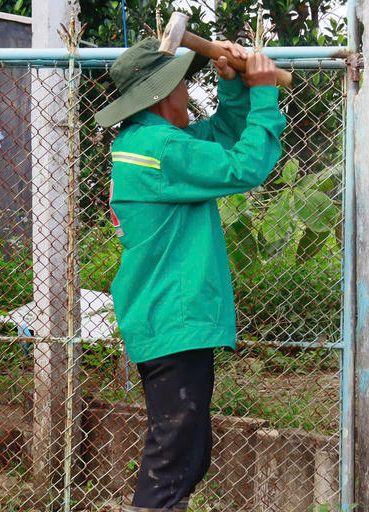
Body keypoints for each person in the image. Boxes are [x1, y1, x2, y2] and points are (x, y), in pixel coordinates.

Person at [94, 37, 285, 512]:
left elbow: (219, 137)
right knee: (173, 456)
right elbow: (244, 166)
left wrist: (235, 92)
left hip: (169, 318)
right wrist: (262, 91)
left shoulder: (149, 142)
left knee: (188, 453)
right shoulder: (160, 150)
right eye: (183, 86)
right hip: (172, 318)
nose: (187, 95)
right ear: (162, 96)